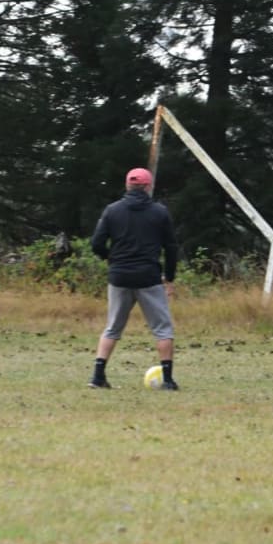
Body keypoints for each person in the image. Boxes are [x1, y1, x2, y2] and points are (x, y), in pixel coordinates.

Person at [87, 167, 181, 390]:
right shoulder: (159, 212)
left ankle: (97, 377)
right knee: (163, 329)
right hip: (149, 277)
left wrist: (111, 258)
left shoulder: (112, 211)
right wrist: (169, 277)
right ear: (148, 187)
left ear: (127, 185)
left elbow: (96, 243)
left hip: (119, 276)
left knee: (112, 328)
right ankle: (168, 381)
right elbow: (171, 247)